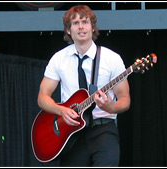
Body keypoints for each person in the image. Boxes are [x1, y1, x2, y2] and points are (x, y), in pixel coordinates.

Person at [37, 5, 130, 167]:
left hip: (103, 130)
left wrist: (112, 108)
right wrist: (61, 111)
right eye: (75, 23)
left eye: (85, 22)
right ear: (68, 30)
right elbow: (42, 96)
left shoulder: (112, 58)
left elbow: (125, 99)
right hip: (71, 133)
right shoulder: (59, 59)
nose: (81, 27)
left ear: (93, 28)